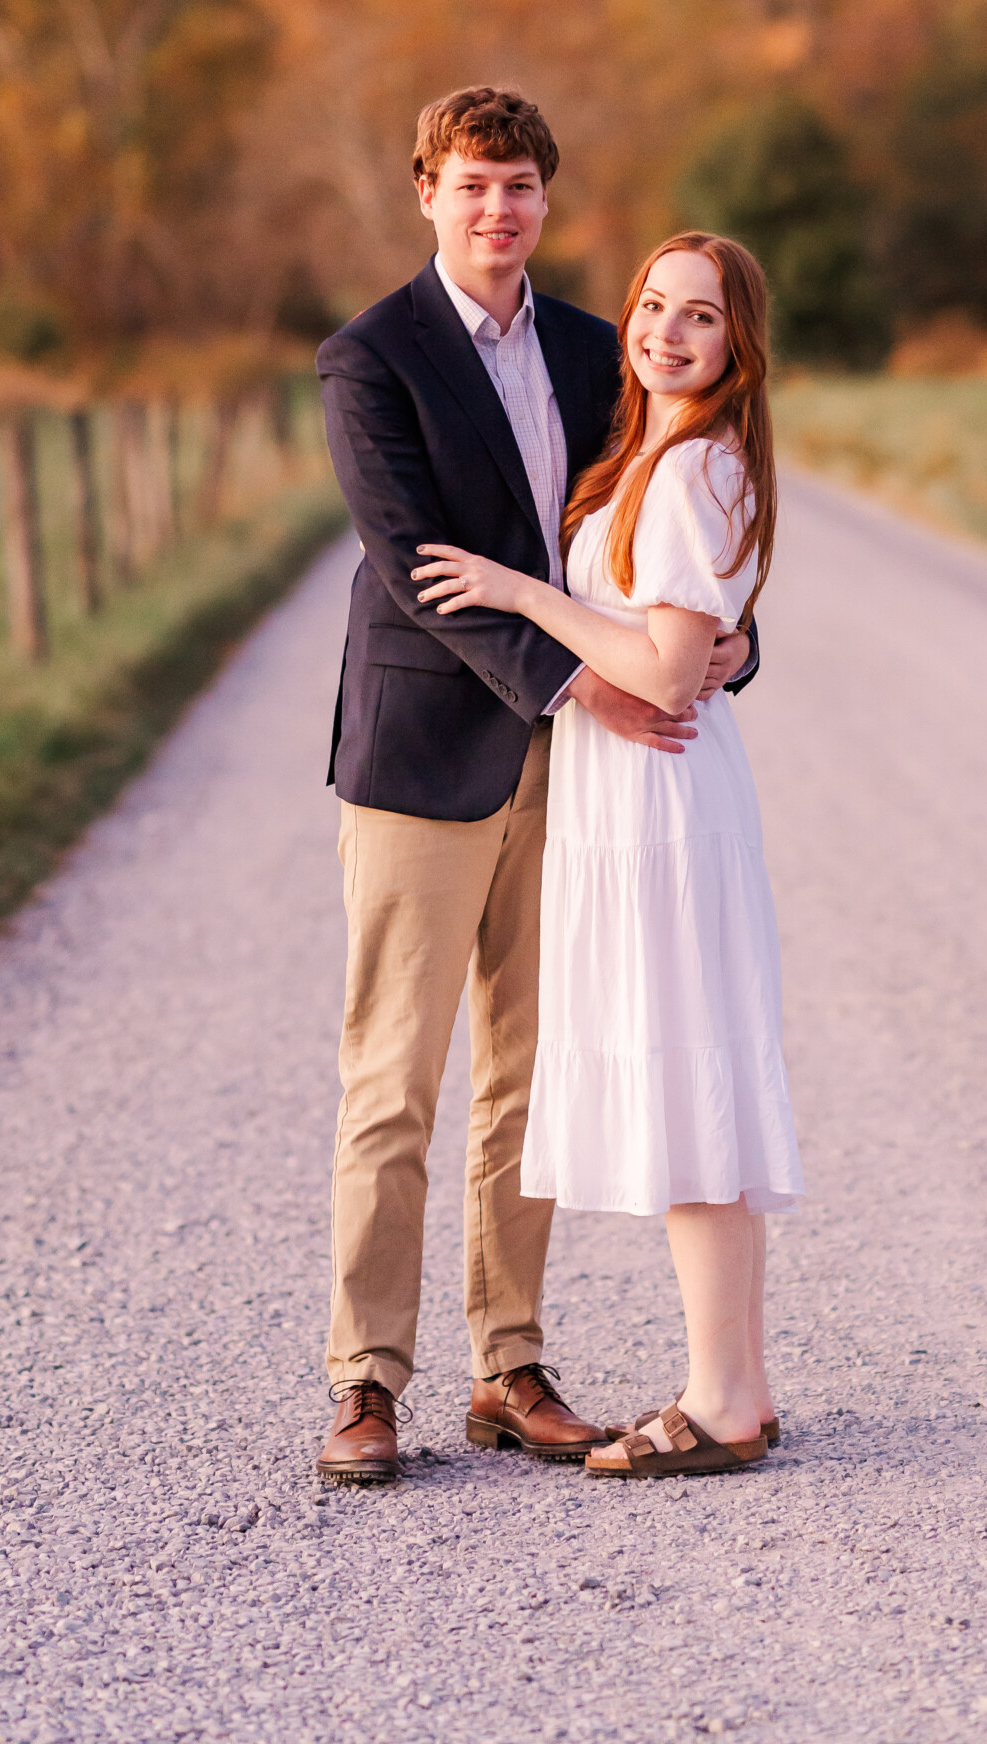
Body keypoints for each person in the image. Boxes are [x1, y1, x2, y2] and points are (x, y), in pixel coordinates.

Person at [314, 91, 759, 1488]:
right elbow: (412, 563)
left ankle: (507, 1364)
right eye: (469, 185)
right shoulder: (368, 359)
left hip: (573, 773)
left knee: (525, 1073)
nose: (495, 209)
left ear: (543, 201)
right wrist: (583, 685)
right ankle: (365, 1382)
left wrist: (725, 650)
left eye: (517, 186)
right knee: (393, 1079)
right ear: (426, 195)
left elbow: (656, 533)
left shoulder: (592, 347)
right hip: (426, 757)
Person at [414, 230, 803, 1478]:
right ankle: (736, 1382)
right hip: (639, 795)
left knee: (691, 1091)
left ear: (736, 342)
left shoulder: (690, 468)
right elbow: (696, 638)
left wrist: (521, 591)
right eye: (651, 305)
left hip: (662, 802)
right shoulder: (655, 450)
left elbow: (670, 667)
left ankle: (721, 1401)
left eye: (699, 316)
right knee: (702, 1087)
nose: (664, 331)